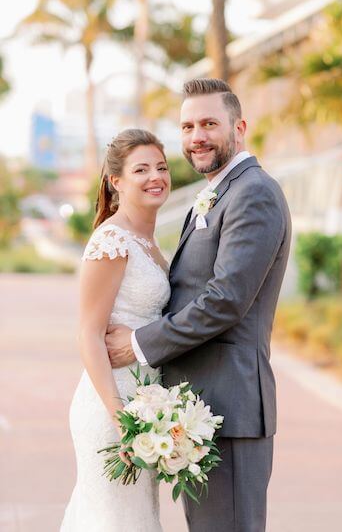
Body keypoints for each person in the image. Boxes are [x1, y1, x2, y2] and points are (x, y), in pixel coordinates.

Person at [105, 78, 292, 532]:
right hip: (204, 408)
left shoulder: (253, 193)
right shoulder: (217, 192)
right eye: (187, 127)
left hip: (231, 405)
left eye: (209, 123)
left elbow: (225, 301)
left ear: (239, 127)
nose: (197, 137)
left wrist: (138, 345)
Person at [60, 129, 171, 531]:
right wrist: (120, 416)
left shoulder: (147, 240)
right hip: (114, 407)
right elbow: (88, 334)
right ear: (116, 181)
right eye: (141, 169)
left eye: (161, 166)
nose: (155, 176)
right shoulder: (112, 240)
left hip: (145, 407)